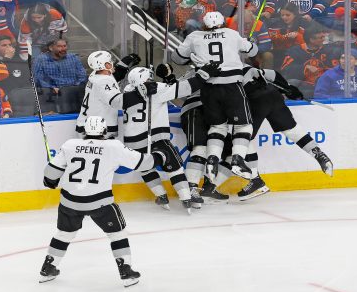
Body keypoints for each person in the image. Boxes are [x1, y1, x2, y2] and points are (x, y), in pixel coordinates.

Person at [39, 115, 174, 286]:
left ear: (85, 130)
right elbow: (145, 164)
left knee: (64, 234)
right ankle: (126, 271)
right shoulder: (113, 147)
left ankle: (48, 268)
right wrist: (161, 155)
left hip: (70, 201)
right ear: (104, 130)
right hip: (99, 202)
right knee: (117, 234)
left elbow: (50, 175)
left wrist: (50, 182)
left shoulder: (70, 145)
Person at [201, 65, 333, 203]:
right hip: (272, 94)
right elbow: (272, 74)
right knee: (291, 130)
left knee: (243, 139)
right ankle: (317, 153)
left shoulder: (218, 74)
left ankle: (255, 180)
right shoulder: (240, 64)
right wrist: (288, 88)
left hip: (253, 100)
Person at [171, 11, 258, 183]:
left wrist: (191, 54)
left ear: (203, 24)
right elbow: (253, 52)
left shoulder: (195, 36)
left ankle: (212, 160)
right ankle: (238, 159)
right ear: (223, 22)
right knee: (244, 126)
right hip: (231, 86)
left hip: (208, 89)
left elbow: (177, 58)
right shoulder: (232, 34)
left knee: (218, 128)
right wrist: (250, 42)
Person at [122, 64, 219, 212]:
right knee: (174, 166)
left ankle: (161, 196)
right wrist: (202, 76)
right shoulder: (157, 88)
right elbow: (184, 88)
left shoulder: (127, 92)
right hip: (155, 137)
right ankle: (186, 197)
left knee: (146, 168)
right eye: (149, 77)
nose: (151, 79)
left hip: (132, 141)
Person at [75, 51, 141, 138]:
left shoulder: (94, 75)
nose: (112, 63)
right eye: (110, 61)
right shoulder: (104, 81)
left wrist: (123, 66)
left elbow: (112, 77)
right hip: (97, 129)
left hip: (86, 124)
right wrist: (140, 93)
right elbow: (118, 102)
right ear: (105, 65)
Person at [32, 38, 87, 114]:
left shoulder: (74, 58)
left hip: (72, 94)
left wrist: (74, 87)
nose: (63, 49)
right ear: (51, 48)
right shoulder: (40, 59)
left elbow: (82, 75)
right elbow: (37, 78)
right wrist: (51, 88)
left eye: (64, 46)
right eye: (59, 46)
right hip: (51, 95)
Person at [268, 2, 307, 68]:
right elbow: (273, 38)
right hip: (279, 54)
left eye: (287, 15)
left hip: (297, 54)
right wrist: (286, 36)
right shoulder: (275, 24)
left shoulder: (303, 24)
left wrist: (298, 35)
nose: (284, 17)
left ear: (295, 14)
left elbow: (307, 42)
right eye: (282, 15)